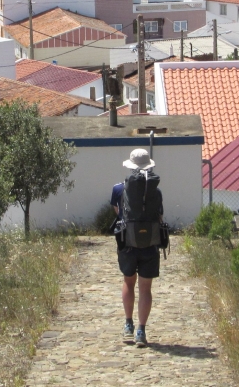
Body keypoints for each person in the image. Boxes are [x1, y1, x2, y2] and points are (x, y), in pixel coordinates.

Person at [110, 148, 163, 348]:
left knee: (128, 282)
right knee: (145, 288)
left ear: (130, 166)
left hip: (128, 244)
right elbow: (159, 217)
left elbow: (118, 212)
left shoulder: (118, 189)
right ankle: (141, 330)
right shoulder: (156, 192)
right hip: (149, 245)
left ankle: (128, 323)